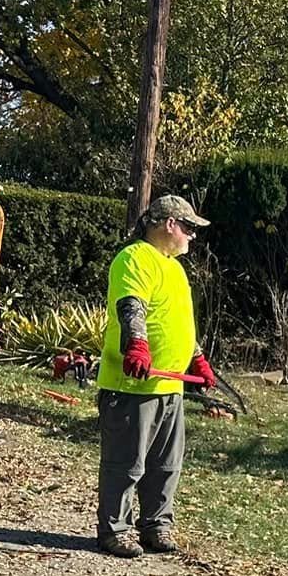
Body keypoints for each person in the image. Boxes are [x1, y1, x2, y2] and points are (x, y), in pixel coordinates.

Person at [97, 194, 213, 557]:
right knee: (126, 463)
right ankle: (115, 531)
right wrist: (137, 346)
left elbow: (179, 322)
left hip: (170, 385)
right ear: (169, 224)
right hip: (132, 385)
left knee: (166, 466)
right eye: (189, 229)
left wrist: (197, 359)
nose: (192, 236)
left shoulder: (174, 269)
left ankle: (156, 527)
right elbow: (132, 306)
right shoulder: (134, 258)